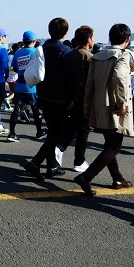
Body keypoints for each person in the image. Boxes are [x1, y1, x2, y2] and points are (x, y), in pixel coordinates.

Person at [74, 23, 134, 196]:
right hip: (115, 106)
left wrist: (87, 107)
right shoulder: (122, 55)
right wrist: (122, 103)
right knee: (114, 146)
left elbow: (89, 85)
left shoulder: (98, 56)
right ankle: (86, 176)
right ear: (127, 39)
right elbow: (120, 79)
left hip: (98, 105)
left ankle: (117, 178)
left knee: (110, 144)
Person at [22, 18, 73, 180]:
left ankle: (52, 166)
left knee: (52, 131)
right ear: (65, 32)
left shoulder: (42, 49)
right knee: (56, 135)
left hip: (43, 95)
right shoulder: (65, 51)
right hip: (60, 98)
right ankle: (35, 163)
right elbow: (69, 78)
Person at [55, 26, 94, 172]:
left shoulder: (70, 54)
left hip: (71, 97)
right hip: (84, 98)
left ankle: (60, 147)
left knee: (74, 126)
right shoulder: (88, 57)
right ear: (89, 39)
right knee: (83, 129)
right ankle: (79, 160)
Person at [6, 31, 45, 143]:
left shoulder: (18, 53)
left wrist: (20, 71)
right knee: (35, 110)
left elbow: (13, 68)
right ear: (34, 41)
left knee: (16, 109)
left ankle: (12, 133)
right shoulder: (35, 52)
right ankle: (39, 132)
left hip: (19, 85)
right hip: (32, 86)